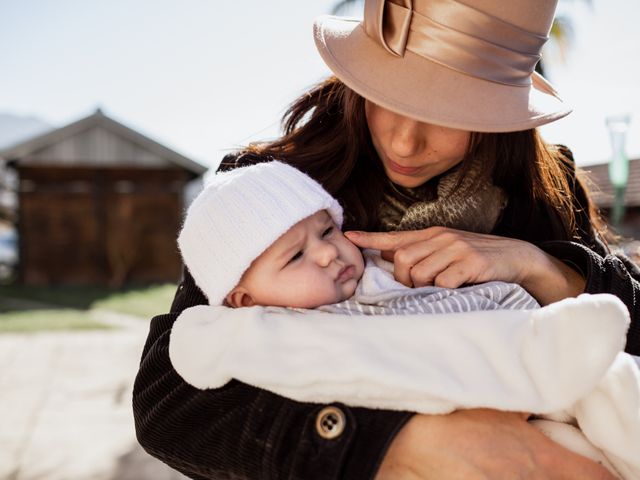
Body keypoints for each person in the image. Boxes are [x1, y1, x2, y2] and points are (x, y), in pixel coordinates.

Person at [133, 0, 640, 478]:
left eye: (449, 111)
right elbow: (170, 404)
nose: (405, 142)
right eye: (388, 94)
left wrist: (542, 268)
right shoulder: (265, 191)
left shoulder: (545, 190)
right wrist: (400, 443)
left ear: (502, 114)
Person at [177, 160, 538, 313]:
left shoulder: (384, 276)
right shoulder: (255, 337)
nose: (326, 254)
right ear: (244, 300)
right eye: (295, 256)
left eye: (327, 231)